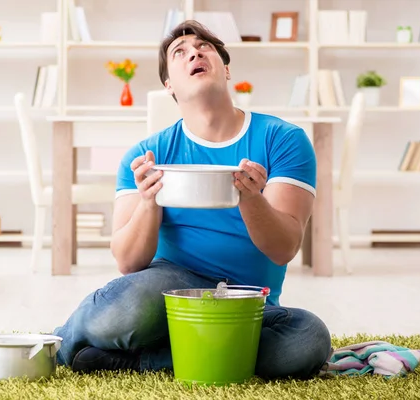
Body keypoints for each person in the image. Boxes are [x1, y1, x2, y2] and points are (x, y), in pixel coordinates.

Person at [53, 20, 331, 380]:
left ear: (226, 68)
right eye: (179, 53)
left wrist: (250, 198)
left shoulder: (283, 139)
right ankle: (59, 344)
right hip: (168, 290)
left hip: (246, 303)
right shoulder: (146, 154)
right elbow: (128, 260)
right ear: (169, 84)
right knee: (129, 307)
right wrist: (149, 202)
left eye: (204, 47)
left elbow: (284, 248)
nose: (194, 53)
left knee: (307, 339)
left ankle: (140, 360)